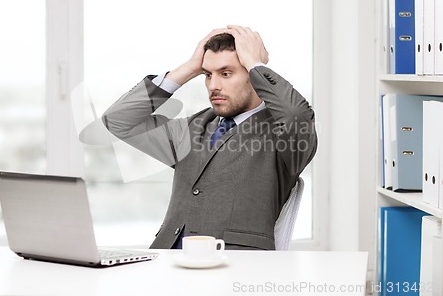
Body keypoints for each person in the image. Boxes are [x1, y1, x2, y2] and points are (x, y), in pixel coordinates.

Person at [102, 25, 317, 250]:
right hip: (166, 265)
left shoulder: (284, 137)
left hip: (235, 269)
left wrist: (256, 64)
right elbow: (117, 120)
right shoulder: (193, 127)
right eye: (207, 75)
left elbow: (296, 114)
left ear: (254, 78)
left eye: (226, 73)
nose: (213, 86)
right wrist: (189, 68)